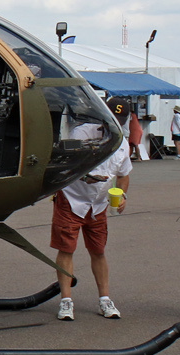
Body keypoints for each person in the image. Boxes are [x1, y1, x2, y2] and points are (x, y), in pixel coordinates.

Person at [51, 108, 133, 321]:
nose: (114, 125)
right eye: (111, 120)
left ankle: (104, 299)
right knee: (66, 248)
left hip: (98, 204)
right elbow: (64, 164)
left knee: (98, 250)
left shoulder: (122, 144)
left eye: (120, 121)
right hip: (72, 199)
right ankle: (66, 300)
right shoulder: (82, 133)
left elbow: (124, 175)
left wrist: (122, 194)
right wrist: (83, 176)